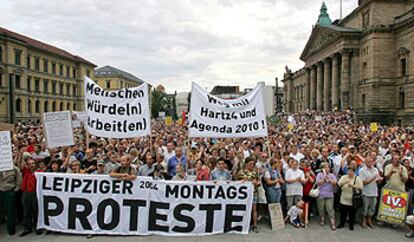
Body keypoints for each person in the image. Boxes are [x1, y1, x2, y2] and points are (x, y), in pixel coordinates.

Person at [238, 157, 260, 233]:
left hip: (254, 193)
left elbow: (258, 182)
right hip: (244, 194)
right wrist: (246, 181)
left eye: (253, 164)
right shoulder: (241, 172)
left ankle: (255, 225)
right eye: (250, 164)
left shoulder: (255, 172)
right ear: (246, 164)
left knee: (254, 209)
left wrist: (257, 183)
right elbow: (238, 182)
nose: (252, 165)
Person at [20, 159, 42, 236]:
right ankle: (27, 228)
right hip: (26, 194)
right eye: (30, 164)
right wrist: (20, 153)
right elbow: (20, 163)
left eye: (33, 163)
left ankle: (37, 227)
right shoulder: (26, 172)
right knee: (26, 212)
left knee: (36, 211)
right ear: (27, 165)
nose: (32, 165)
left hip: (35, 194)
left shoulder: (39, 173)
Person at [359, 156, 382, 228]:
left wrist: (379, 180)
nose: (370, 163)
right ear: (365, 162)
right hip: (366, 192)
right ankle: (363, 221)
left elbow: (377, 181)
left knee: (372, 208)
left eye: (371, 162)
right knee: (365, 208)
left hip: (374, 192)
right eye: (368, 162)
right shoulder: (362, 170)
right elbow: (363, 182)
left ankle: (369, 220)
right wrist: (373, 178)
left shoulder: (375, 169)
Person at [0, 164, 22, 235]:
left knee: (10, 211)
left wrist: (15, 190)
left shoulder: (15, 169)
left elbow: (19, 180)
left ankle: (11, 229)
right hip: (0, 190)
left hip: (10, 191)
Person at [315, 162, 337, 230]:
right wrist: (324, 179)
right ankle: (322, 219)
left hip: (330, 194)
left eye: (328, 167)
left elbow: (335, 183)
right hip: (321, 194)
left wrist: (329, 179)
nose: (327, 168)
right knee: (321, 208)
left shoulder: (332, 175)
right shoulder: (319, 174)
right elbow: (318, 183)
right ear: (322, 168)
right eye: (325, 167)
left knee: (330, 208)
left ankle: (333, 223)